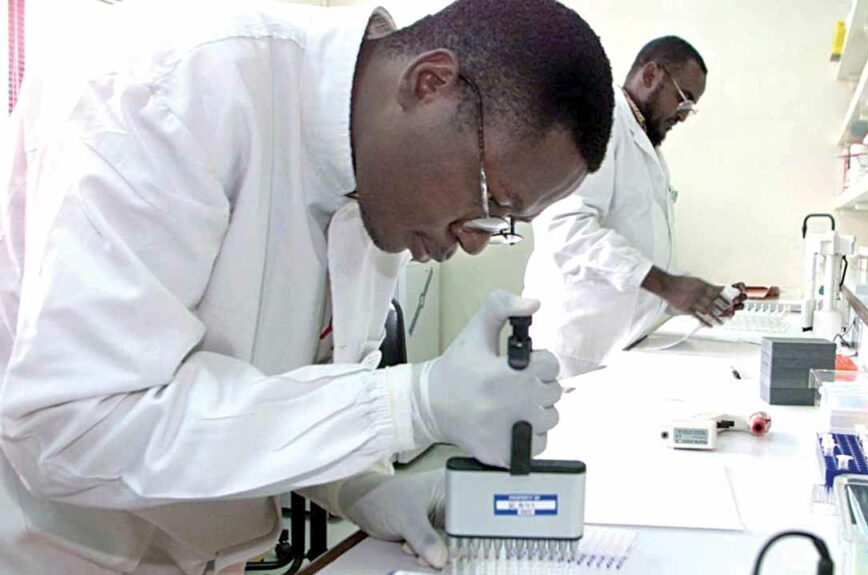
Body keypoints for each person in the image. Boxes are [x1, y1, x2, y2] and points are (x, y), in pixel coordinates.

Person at [0, 0, 614, 572]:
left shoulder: (381, 183)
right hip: (60, 553)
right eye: (491, 199)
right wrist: (408, 403)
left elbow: (293, 390)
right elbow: (77, 427)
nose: (476, 241)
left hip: (205, 555)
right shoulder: (169, 93)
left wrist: (360, 487)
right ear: (430, 84)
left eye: (505, 223)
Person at [523, 36, 743, 377]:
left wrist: (697, 296)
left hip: (619, 344)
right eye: (683, 100)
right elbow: (566, 231)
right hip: (574, 348)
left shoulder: (641, 138)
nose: (683, 116)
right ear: (651, 75)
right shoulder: (598, 125)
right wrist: (668, 286)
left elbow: (638, 246)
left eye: (690, 108)